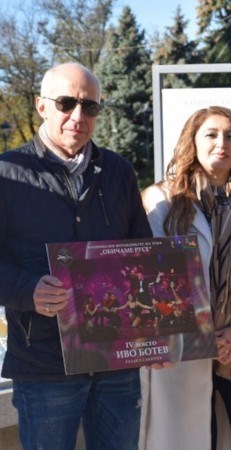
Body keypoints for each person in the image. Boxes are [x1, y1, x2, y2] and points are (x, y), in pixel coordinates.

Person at [0, 62, 151, 450]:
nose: (78, 116)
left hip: (116, 359)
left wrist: (158, 336)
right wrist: (27, 289)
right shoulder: (7, 174)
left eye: (90, 106)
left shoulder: (118, 171)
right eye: (66, 103)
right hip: (45, 361)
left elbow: (142, 254)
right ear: (41, 106)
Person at [139, 106, 231, 449]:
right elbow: (150, 281)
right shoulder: (162, 202)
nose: (222, 143)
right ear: (191, 142)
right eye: (211, 134)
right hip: (184, 353)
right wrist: (202, 336)